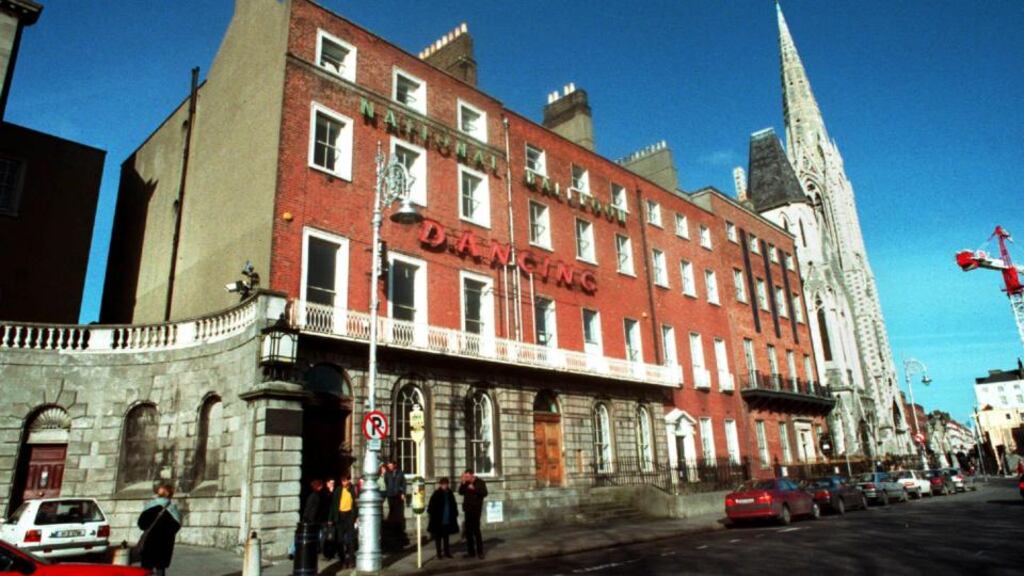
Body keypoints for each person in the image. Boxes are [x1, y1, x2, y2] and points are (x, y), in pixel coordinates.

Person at [136, 484, 182, 576]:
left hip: (149, 542)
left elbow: (141, 524)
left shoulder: (149, 506)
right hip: (165, 544)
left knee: (146, 569)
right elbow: (176, 526)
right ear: (170, 495)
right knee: (160, 568)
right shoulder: (173, 509)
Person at [289, 479, 324, 559]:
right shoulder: (316, 496)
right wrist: (311, 519)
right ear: (318, 486)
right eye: (321, 486)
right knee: (311, 536)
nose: (322, 488)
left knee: (300, 536)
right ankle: (294, 551)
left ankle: (293, 551)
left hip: (307, 519)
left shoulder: (311, 495)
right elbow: (313, 510)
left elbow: (308, 508)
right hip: (311, 520)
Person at [328, 475, 358, 568]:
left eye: (345, 480)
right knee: (340, 540)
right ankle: (343, 561)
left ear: (349, 480)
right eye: (342, 481)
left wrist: (356, 517)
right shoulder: (338, 490)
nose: (344, 482)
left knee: (350, 540)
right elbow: (333, 505)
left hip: (349, 516)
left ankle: (352, 560)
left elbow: (356, 503)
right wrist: (330, 519)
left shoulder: (353, 489)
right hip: (339, 517)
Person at [458, 469, 487, 559]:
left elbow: (484, 493)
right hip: (468, 509)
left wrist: (474, 489)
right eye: (465, 476)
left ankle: (480, 552)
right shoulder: (466, 483)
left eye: (467, 477)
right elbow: (460, 492)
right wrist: (462, 483)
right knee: (468, 532)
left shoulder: (480, 482)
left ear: (472, 475)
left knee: (476, 531)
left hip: (476, 510)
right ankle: (471, 552)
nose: (466, 478)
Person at [426, 477, 459, 559]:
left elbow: (453, 504)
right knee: (438, 538)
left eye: (446, 484)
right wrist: (434, 515)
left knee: (446, 537)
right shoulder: (436, 493)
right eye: (443, 484)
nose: (445, 486)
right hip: (438, 520)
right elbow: (430, 507)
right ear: (440, 485)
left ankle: (447, 552)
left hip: (447, 518)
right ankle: (439, 554)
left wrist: (455, 513)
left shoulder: (450, 493)